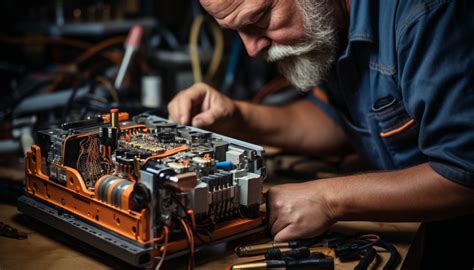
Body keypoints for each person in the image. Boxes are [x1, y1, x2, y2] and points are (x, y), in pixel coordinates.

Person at [168, 0, 474, 267]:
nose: (251, 49)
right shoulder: (330, 21)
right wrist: (238, 116)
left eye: (260, 19)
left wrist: (327, 200)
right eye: (236, 32)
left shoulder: (425, 15)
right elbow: (344, 125)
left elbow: (463, 173)